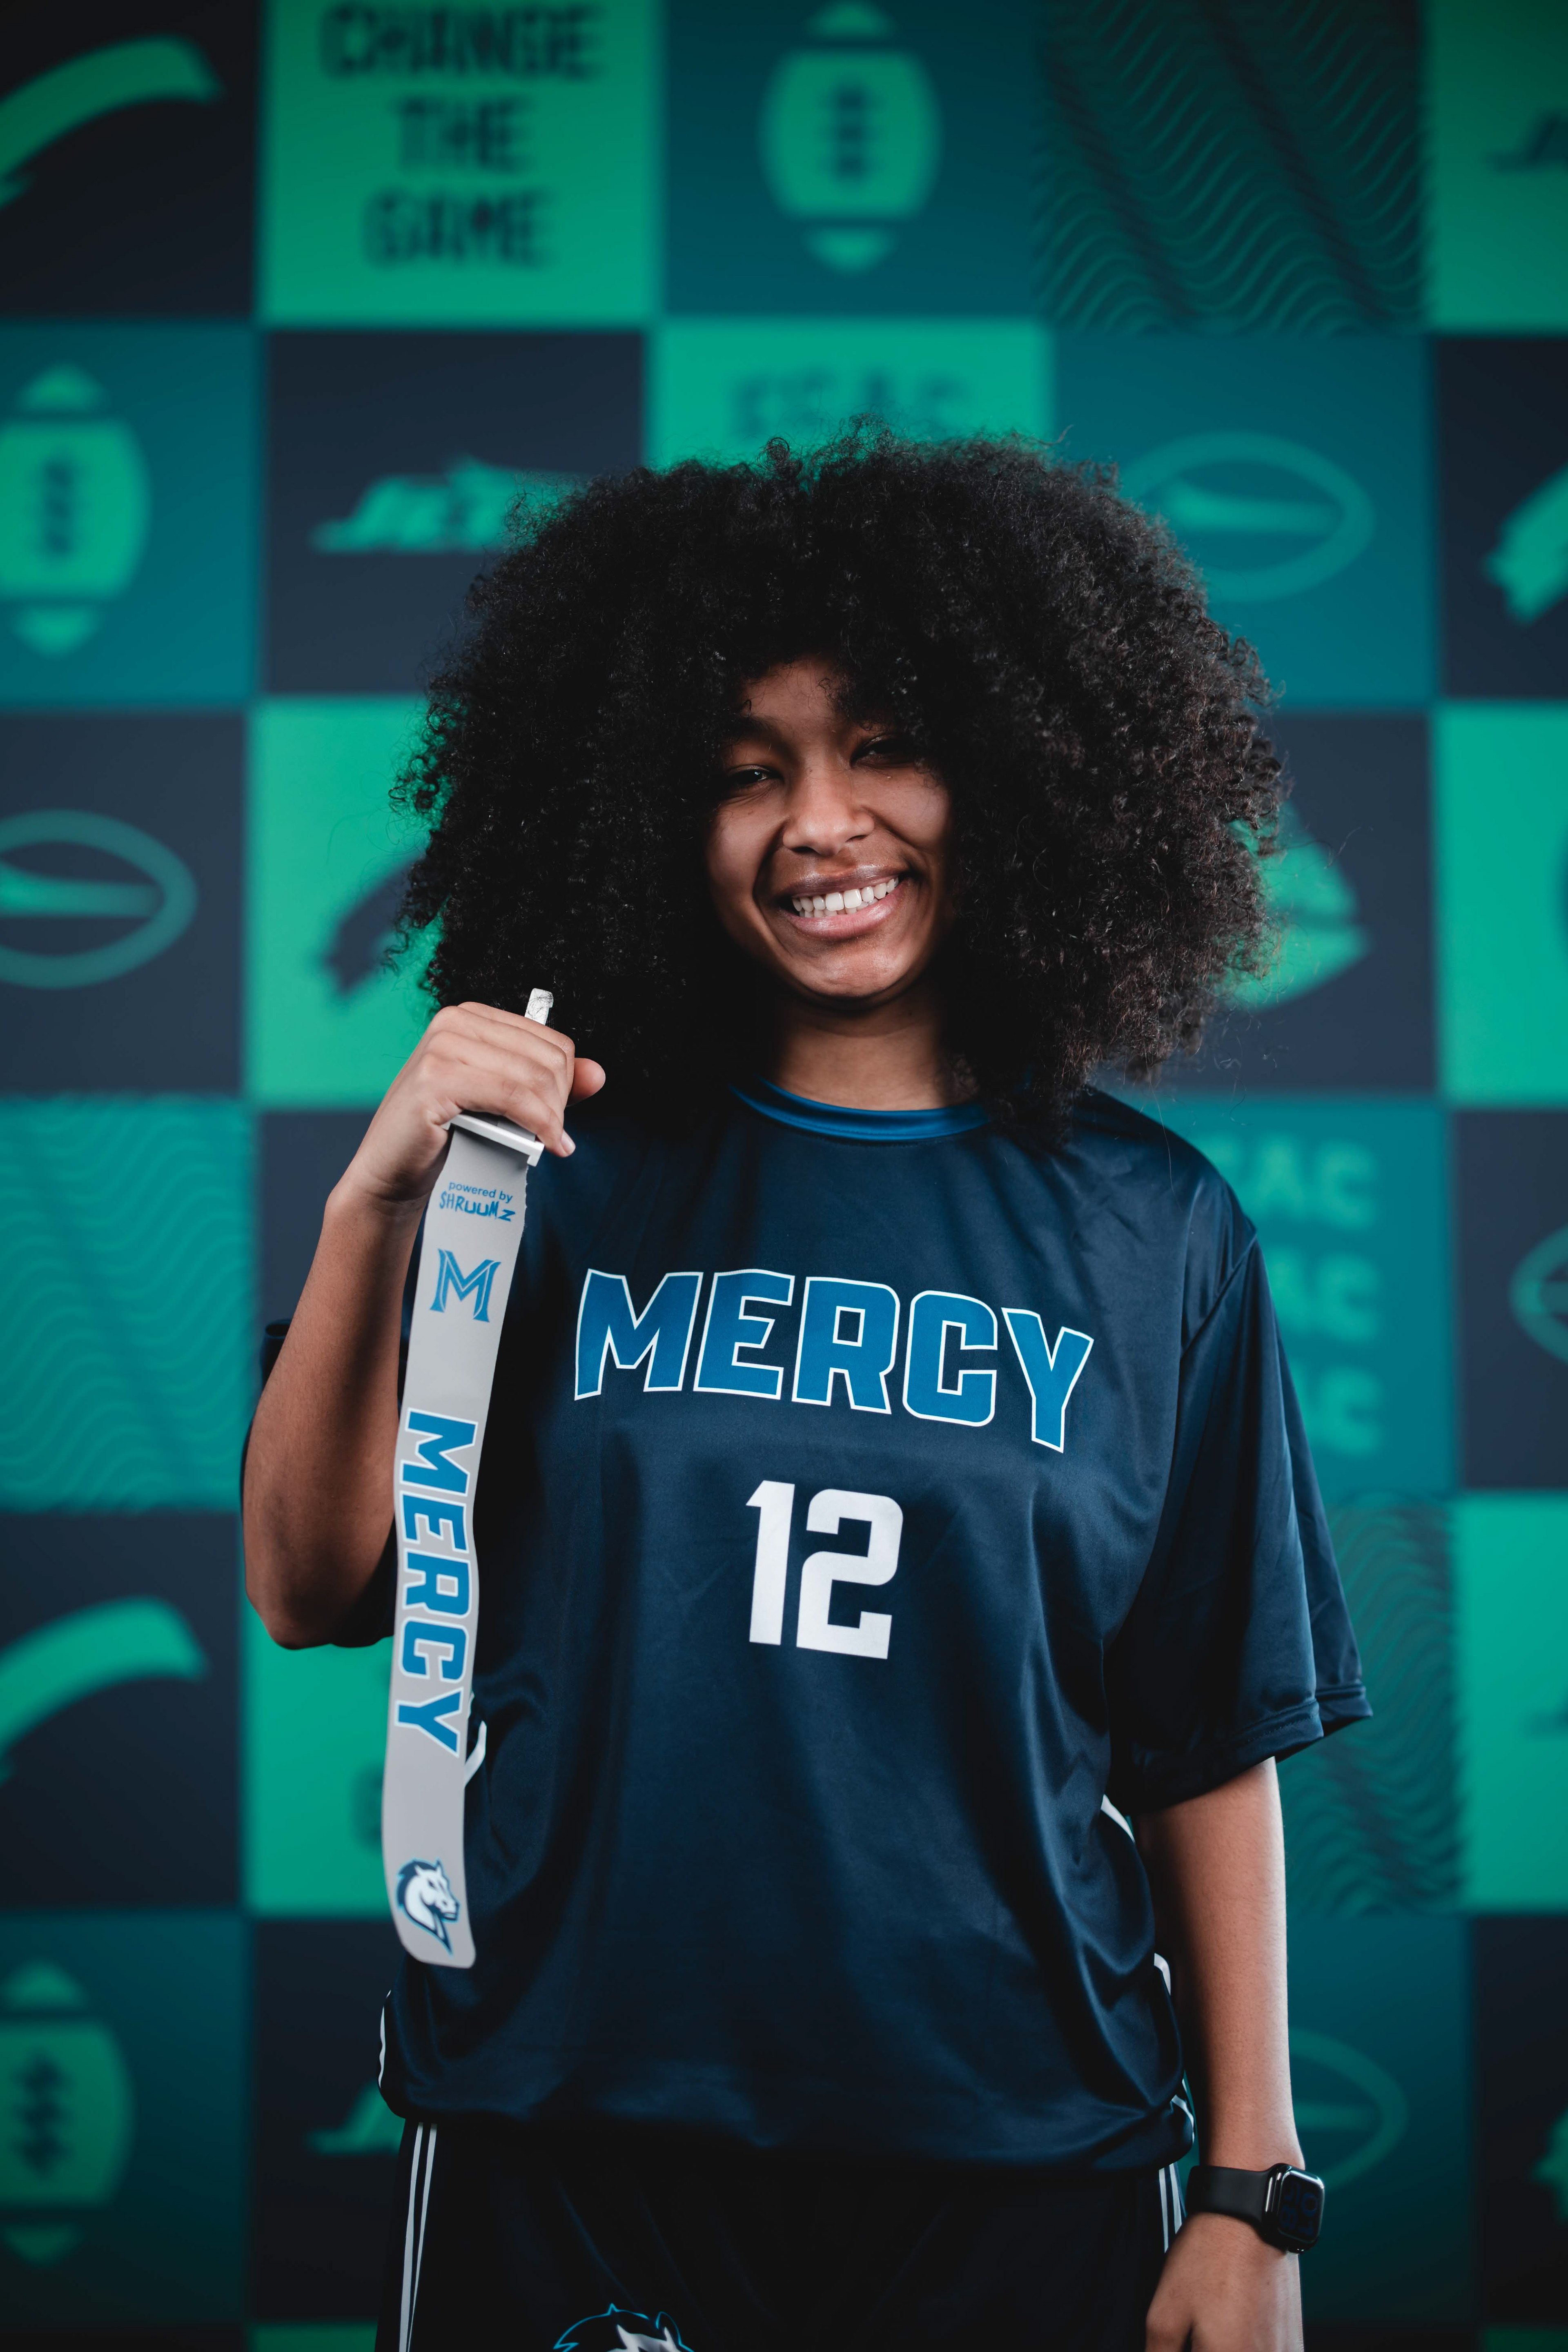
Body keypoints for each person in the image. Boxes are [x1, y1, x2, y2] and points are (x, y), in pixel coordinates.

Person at [243, 432, 1368, 2352]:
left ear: (1024, 768)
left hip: (1018, 2144)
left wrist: (1253, 2189)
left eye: (885, 750)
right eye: (744, 770)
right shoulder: (548, 1170)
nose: (820, 825)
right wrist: (378, 1207)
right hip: (570, 2120)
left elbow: (1202, 1738)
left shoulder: (1159, 1230)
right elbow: (311, 1582)